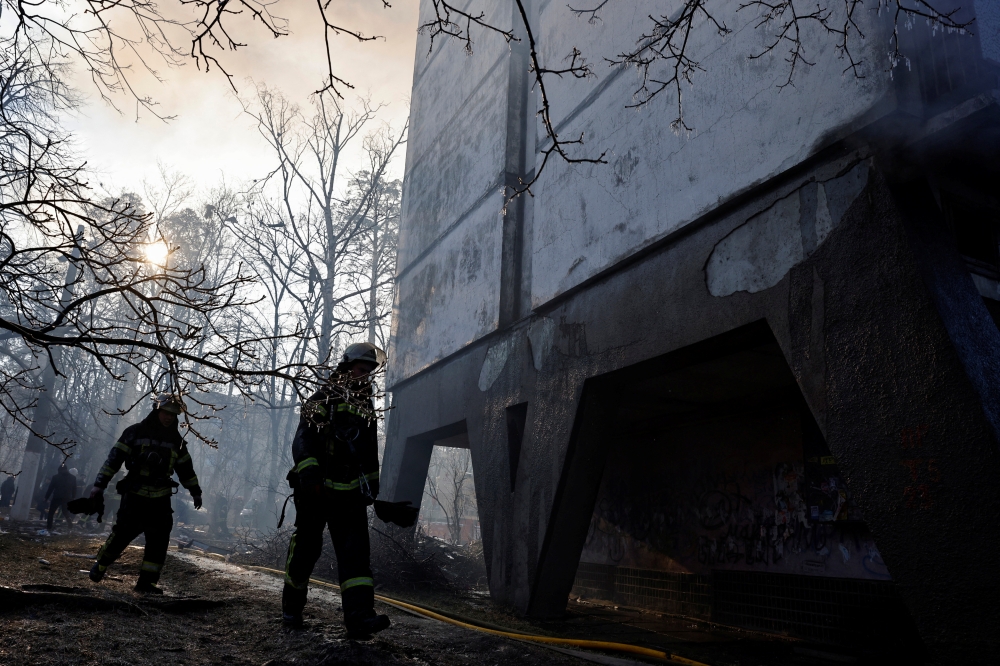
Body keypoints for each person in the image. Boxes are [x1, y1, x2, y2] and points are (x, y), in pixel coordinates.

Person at [282, 342, 389, 637]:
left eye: (369, 371)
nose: (364, 375)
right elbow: (303, 439)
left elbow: (369, 453)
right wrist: (311, 478)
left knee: (356, 555)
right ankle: (292, 608)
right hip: (316, 492)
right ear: (346, 366)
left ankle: (359, 619)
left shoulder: (366, 407)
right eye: (360, 369)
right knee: (306, 549)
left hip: (350, 495)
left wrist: (374, 492)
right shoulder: (322, 398)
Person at [87, 394, 203, 593]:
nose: (169, 417)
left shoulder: (177, 441)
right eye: (166, 412)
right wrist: (99, 485)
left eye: (173, 414)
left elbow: (186, 469)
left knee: (159, 541)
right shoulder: (135, 432)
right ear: (157, 411)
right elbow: (113, 460)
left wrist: (195, 492)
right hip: (134, 494)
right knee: (121, 535)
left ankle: (147, 584)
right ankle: (102, 564)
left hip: (161, 499)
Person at [44, 464, 78, 530]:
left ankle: (49, 526)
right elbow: (74, 488)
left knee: (51, 512)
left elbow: (50, 488)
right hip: (67, 498)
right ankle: (69, 522)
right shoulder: (73, 478)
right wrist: (73, 497)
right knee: (65, 511)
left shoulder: (55, 477)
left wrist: (46, 497)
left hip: (57, 497)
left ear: (59, 470)